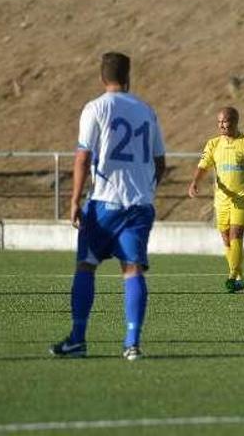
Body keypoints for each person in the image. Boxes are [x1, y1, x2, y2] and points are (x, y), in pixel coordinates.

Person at [50, 52, 166, 361]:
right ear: (129, 77)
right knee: (132, 269)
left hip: (104, 202)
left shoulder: (96, 107)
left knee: (86, 265)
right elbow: (160, 161)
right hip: (140, 204)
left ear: (102, 78)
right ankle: (132, 343)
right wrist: (147, 188)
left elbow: (83, 156)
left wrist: (75, 200)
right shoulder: (146, 111)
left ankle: (78, 339)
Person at [188, 107, 244, 292]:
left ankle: (232, 275)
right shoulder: (213, 144)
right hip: (222, 199)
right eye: (219, 122)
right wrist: (195, 182)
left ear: (235, 121)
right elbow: (203, 167)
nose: (221, 125)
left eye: (225, 121)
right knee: (226, 238)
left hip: (243, 198)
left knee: (236, 234)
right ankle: (240, 277)